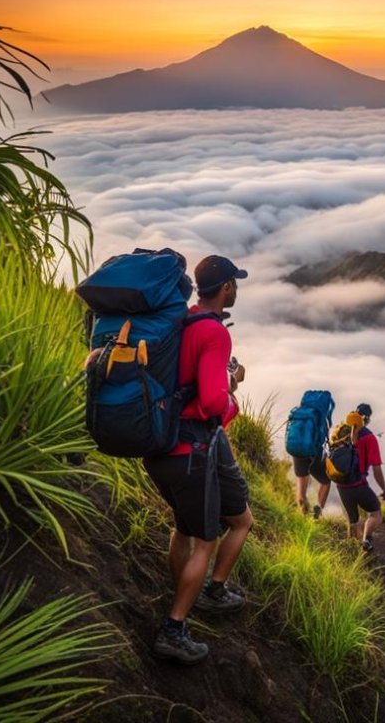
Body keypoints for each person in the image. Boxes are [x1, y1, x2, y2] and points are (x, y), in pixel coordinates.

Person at [143, 255, 255, 665]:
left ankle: (187, 596)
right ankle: (175, 627)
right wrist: (231, 402)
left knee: (184, 529)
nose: (236, 289)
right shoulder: (213, 333)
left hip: (160, 443)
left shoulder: (180, 323)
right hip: (192, 448)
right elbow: (210, 402)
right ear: (225, 288)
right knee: (206, 539)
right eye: (234, 284)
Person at [336, 402, 385, 552]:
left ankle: (351, 555)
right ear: (368, 419)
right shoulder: (370, 438)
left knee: (352, 521)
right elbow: (376, 468)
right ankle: (365, 540)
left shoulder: (340, 433)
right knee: (376, 513)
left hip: (341, 485)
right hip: (358, 484)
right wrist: (384, 490)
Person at [294, 445, 332, 520]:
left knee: (301, 480)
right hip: (315, 450)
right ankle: (316, 516)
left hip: (297, 447)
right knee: (326, 481)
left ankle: (303, 517)